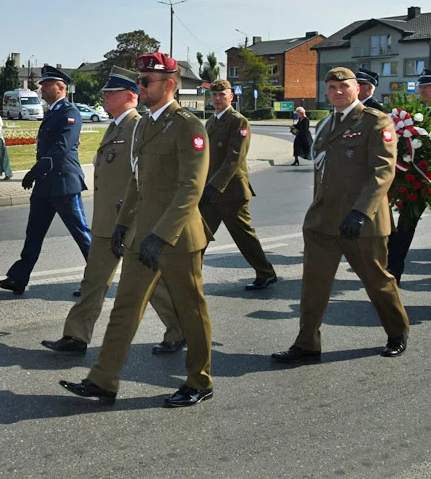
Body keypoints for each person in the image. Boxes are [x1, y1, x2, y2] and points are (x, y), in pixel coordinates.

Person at [60, 52, 214, 408]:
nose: (140, 87)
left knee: (191, 311)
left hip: (177, 238)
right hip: (140, 235)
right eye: (140, 81)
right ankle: (103, 379)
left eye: (146, 82)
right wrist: (123, 224)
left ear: (169, 85)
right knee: (125, 308)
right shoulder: (144, 125)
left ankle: (200, 380)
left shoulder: (189, 126)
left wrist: (162, 235)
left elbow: (191, 188)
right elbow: (137, 181)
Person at [41, 66, 183, 355]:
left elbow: (142, 177)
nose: (104, 96)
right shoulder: (116, 125)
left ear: (130, 96)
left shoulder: (137, 127)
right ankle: (76, 336)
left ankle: (180, 330)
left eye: (111, 93)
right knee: (93, 279)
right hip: (109, 221)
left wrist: (131, 218)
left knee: (152, 285)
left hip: (131, 221)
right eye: (105, 92)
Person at [272, 67, 409, 363]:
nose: (337, 92)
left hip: (362, 222)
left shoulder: (375, 121)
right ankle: (307, 342)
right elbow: (322, 172)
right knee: (313, 285)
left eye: (343, 86)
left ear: (357, 89)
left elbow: (382, 171)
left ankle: (397, 332)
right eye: (332, 87)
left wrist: (360, 212)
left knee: (376, 280)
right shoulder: (324, 123)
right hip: (323, 220)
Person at [0, 65, 91, 296]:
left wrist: (35, 170)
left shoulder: (70, 112)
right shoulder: (53, 112)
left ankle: (96, 280)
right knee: (33, 234)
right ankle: (18, 278)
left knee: (82, 234)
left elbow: (62, 147)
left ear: (61, 88)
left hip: (65, 184)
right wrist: (38, 174)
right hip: (46, 186)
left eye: (47, 85)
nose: (42, 89)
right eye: (43, 85)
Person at [199, 79, 277, 291]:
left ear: (231, 96)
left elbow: (234, 158)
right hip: (211, 192)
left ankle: (266, 272)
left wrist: (214, 186)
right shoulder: (212, 122)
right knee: (199, 235)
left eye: (221, 95)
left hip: (230, 192)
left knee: (245, 238)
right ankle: (190, 276)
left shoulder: (238, 121)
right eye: (214, 96)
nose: (217, 99)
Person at [387, 70, 431, 283]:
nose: (423, 90)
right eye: (421, 86)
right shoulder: (412, 113)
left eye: (428, 86)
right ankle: (393, 271)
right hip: (416, 179)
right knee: (406, 222)